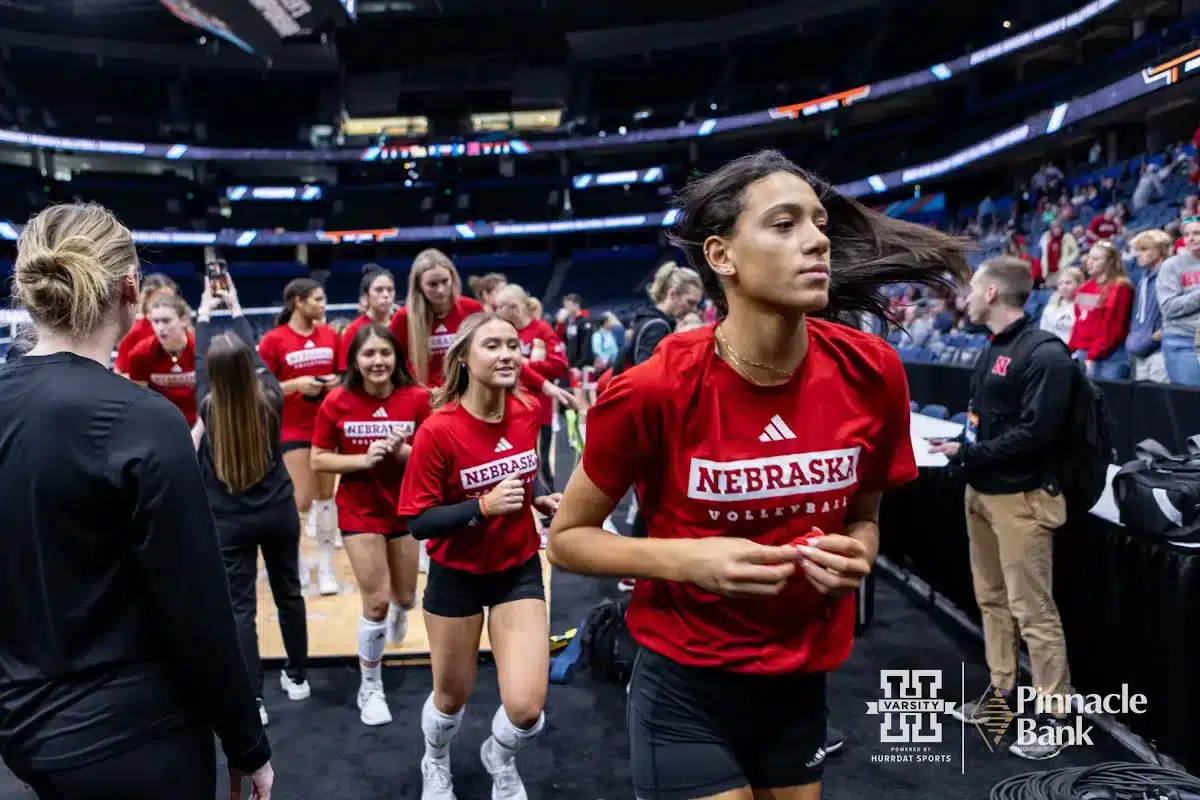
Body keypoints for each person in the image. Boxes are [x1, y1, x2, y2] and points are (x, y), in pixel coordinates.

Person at [548, 150, 968, 800]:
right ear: (722, 256)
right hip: (686, 682)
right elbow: (569, 538)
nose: (817, 240)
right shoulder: (653, 388)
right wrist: (690, 562)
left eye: (819, 223)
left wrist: (858, 552)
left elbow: (864, 518)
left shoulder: (872, 371)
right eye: (784, 223)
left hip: (802, 683)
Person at [0, 202, 274, 799]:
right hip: (135, 735)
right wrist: (247, 743)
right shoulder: (143, 419)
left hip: (23, 728)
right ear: (130, 290)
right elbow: (197, 607)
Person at [397, 313, 561, 800]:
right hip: (456, 576)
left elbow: (520, 472)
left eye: (513, 344)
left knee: (527, 711)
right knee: (451, 698)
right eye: (493, 345)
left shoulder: (527, 409)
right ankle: (436, 759)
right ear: (465, 358)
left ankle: (499, 756)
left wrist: (538, 498)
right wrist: (483, 507)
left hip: (517, 569)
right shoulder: (438, 430)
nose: (508, 353)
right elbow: (418, 521)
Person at [929, 256, 1078, 760]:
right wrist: (968, 457)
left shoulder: (1046, 353)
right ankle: (1001, 696)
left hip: (1022, 498)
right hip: (983, 491)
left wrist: (968, 453)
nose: (965, 296)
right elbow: (987, 420)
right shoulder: (994, 346)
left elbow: (1039, 433)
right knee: (991, 600)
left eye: (973, 287)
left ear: (992, 293)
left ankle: (1055, 718)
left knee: (1033, 611)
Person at [193, 276, 310, 729]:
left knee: (240, 609)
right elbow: (255, 355)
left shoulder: (207, 404)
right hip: (278, 512)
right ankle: (297, 677)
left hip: (228, 519)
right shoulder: (272, 397)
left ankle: (254, 701)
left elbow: (206, 360)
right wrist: (236, 305)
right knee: (289, 595)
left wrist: (205, 309)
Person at [312, 324, 429, 727]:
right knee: (375, 601)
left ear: (396, 358)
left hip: (405, 507)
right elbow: (319, 459)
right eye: (368, 354)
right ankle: (370, 685)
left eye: (385, 353)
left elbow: (434, 458)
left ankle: (401, 608)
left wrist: (402, 451)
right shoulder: (337, 401)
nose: (377, 361)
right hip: (359, 509)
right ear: (355, 361)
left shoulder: (417, 398)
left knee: (406, 596)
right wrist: (363, 461)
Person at [258, 278, 342, 595]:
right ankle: (295, 561)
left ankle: (326, 567)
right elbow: (263, 390)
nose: (323, 305)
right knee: (299, 499)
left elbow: (343, 376)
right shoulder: (273, 340)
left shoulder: (331, 335)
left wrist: (334, 382)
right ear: (298, 301)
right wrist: (296, 385)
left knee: (326, 498)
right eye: (318, 299)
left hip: (327, 425)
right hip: (291, 428)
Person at [494, 283, 570, 490]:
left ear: (515, 308)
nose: (496, 312)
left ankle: (550, 505)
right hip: (508, 406)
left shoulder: (541, 329)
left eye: (500, 307)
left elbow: (559, 366)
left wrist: (529, 364)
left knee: (539, 460)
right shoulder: (505, 332)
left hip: (538, 408)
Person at [390, 249, 484, 387]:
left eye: (445, 281)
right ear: (419, 286)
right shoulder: (403, 318)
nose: (440, 290)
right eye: (433, 284)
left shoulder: (473, 309)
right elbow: (395, 364)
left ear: (453, 279)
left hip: (467, 394)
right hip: (422, 397)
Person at [611, 261, 704, 377]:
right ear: (672, 294)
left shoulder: (649, 319)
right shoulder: (657, 326)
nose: (694, 309)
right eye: (690, 302)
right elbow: (649, 378)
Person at [127, 293, 198, 426]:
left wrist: (198, 433)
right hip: (160, 424)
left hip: (201, 423)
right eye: (156, 321)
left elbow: (212, 397)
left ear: (183, 320)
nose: (160, 328)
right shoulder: (140, 354)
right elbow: (140, 403)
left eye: (166, 321)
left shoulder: (202, 350)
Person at [1068, 240, 1133, 380]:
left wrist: (1092, 355)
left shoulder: (1120, 288)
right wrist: (1069, 349)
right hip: (1083, 354)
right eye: (1089, 257)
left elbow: (1113, 328)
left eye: (1096, 259)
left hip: (1110, 357)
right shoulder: (1084, 289)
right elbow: (1079, 322)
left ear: (1109, 261)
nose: (1089, 262)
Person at [1156, 215, 1200, 386]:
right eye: (1187, 234)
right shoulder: (1171, 266)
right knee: (1190, 404)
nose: (1192, 238)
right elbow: (1168, 307)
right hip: (1183, 342)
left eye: (1197, 233)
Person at [1125, 229, 1171, 383]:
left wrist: (1157, 336)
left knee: (1160, 402)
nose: (1138, 254)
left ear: (1161, 250)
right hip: (1140, 350)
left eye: (1144, 249)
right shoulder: (1142, 280)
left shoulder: (1170, 275)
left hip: (1161, 351)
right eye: (1137, 250)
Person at [113, 273, 177, 376]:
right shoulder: (134, 332)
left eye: (170, 300)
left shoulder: (180, 329)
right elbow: (120, 375)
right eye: (160, 300)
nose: (166, 305)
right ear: (147, 299)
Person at [338, 268, 397, 370]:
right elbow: (346, 370)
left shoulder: (403, 323)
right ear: (366, 296)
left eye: (390, 290)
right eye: (379, 290)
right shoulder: (354, 330)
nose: (386, 295)